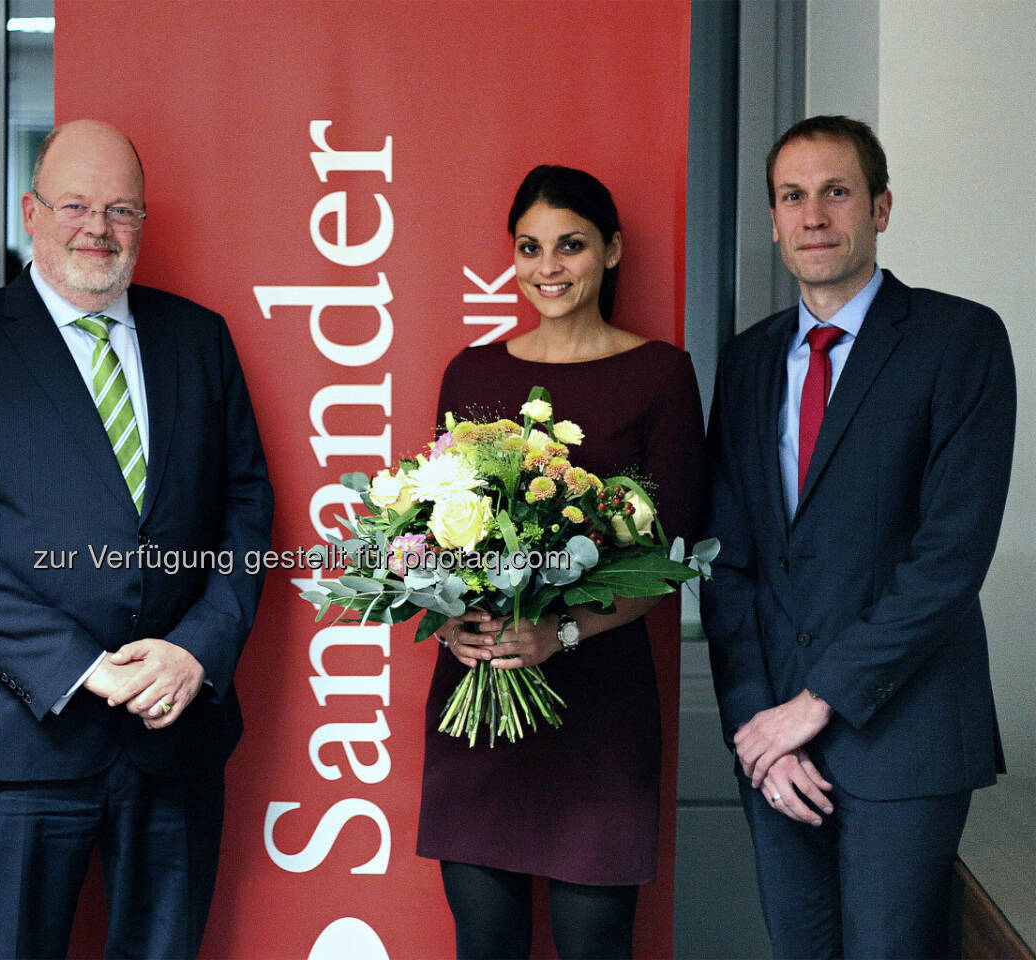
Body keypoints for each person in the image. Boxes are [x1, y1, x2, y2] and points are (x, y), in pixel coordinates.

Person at [0, 119, 273, 959]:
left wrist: (198, 651)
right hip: (10, 746)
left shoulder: (200, 339)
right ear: (30, 212)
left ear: (143, 221)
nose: (97, 228)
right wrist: (82, 666)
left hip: (173, 737)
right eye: (74, 204)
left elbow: (247, 510)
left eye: (120, 209)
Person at [701, 115, 1016, 958]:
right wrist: (756, 729)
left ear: (879, 206)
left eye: (835, 193)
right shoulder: (747, 363)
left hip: (903, 740)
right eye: (792, 197)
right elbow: (727, 565)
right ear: (771, 220)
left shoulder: (961, 340)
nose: (813, 216)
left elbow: (949, 559)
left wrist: (814, 705)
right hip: (775, 754)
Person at [417, 165, 704, 959]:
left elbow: (670, 554)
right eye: (530, 247)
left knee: (595, 946)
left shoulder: (661, 374)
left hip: (600, 714)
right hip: (479, 702)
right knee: (484, 944)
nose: (549, 267)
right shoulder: (470, 372)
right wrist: (449, 627)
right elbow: (434, 531)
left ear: (611, 251)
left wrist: (562, 633)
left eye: (570, 245)